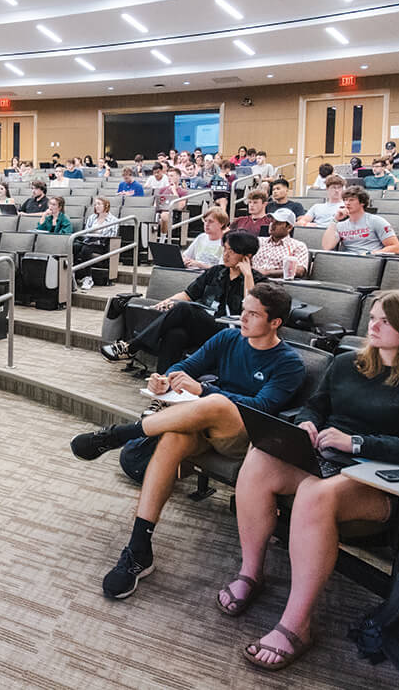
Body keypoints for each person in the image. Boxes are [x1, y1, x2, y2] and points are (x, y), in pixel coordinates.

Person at [222, 290, 399, 670]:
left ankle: (297, 625)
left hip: (379, 479)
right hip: (328, 457)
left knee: (316, 494)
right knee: (260, 456)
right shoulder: (348, 364)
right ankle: (251, 573)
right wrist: (308, 423)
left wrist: (359, 442)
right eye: (374, 316)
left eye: (386, 320)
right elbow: (315, 406)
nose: (374, 325)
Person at [70, 284, 306, 600]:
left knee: (218, 403)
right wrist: (165, 378)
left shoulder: (289, 362)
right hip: (201, 426)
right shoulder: (228, 337)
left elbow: (261, 407)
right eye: (243, 310)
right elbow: (187, 366)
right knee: (172, 439)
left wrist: (205, 392)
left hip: (242, 438)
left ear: (275, 322)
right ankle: (139, 549)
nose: (243, 319)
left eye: (253, 314)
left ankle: (120, 434)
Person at [99, 232, 263, 374]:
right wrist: (168, 302)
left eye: (231, 251)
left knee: (184, 309)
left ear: (246, 257)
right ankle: (163, 390)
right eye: (225, 249)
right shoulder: (215, 272)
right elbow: (188, 294)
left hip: (232, 333)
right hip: (206, 328)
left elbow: (251, 309)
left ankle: (131, 347)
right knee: (175, 334)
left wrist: (248, 277)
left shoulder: (259, 281)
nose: (225, 254)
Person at [322, 187, 399, 255]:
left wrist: (371, 254)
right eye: (345, 200)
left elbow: (396, 248)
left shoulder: (376, 221)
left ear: (362, 203)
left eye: (351, 200)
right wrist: (335, 220)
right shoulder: (340, 225)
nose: (347, 203)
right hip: (346, 262)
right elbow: (327, 247)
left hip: (370, 261)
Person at [253, 209, 310, 279]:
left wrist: (267, 273)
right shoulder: (258, 241)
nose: (272, 225)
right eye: (271, 221)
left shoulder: (298, 246)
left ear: (289, 227)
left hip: (276, 284)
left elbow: (299, 271)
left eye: (278, 223)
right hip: (250, 279)